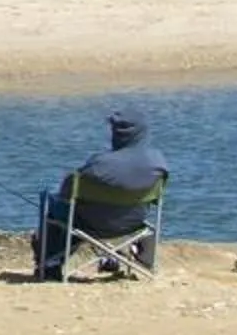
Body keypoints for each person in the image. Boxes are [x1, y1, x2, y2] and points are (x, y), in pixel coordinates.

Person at [34, 110, 170, 279]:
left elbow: (66, 191)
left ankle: (50, 265)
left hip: (89, 224)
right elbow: (156, 198)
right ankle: (145, 259)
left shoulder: (100, 163)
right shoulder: (157, 161)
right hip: (134, 222)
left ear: (115, 134)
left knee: (53, 206)